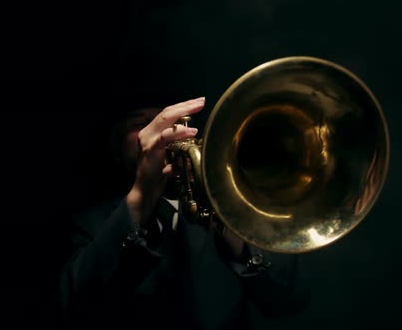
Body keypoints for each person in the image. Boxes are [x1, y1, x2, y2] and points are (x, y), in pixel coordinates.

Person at [56, 90, 311, 330]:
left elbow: (286, 301)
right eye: (138, 124)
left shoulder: (236, 208)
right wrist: (141, 196)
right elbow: (74, 308)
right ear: (116, 147)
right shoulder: (89, 222)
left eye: (173, 121)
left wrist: (233, 226)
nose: (160, 131)